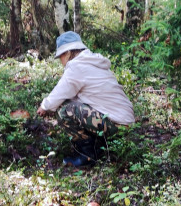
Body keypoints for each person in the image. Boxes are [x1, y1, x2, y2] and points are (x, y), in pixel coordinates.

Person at [36, 31, 135, 166]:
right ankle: (99, 147)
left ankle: (87, 156)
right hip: (125, 124)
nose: (61, 61)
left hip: (116, 125)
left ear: (68, 53)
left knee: (64, 110)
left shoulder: (77, 66)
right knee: (74, 104)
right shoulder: (93, 62)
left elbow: (59, 94)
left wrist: (44, 107)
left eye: (60, 57)